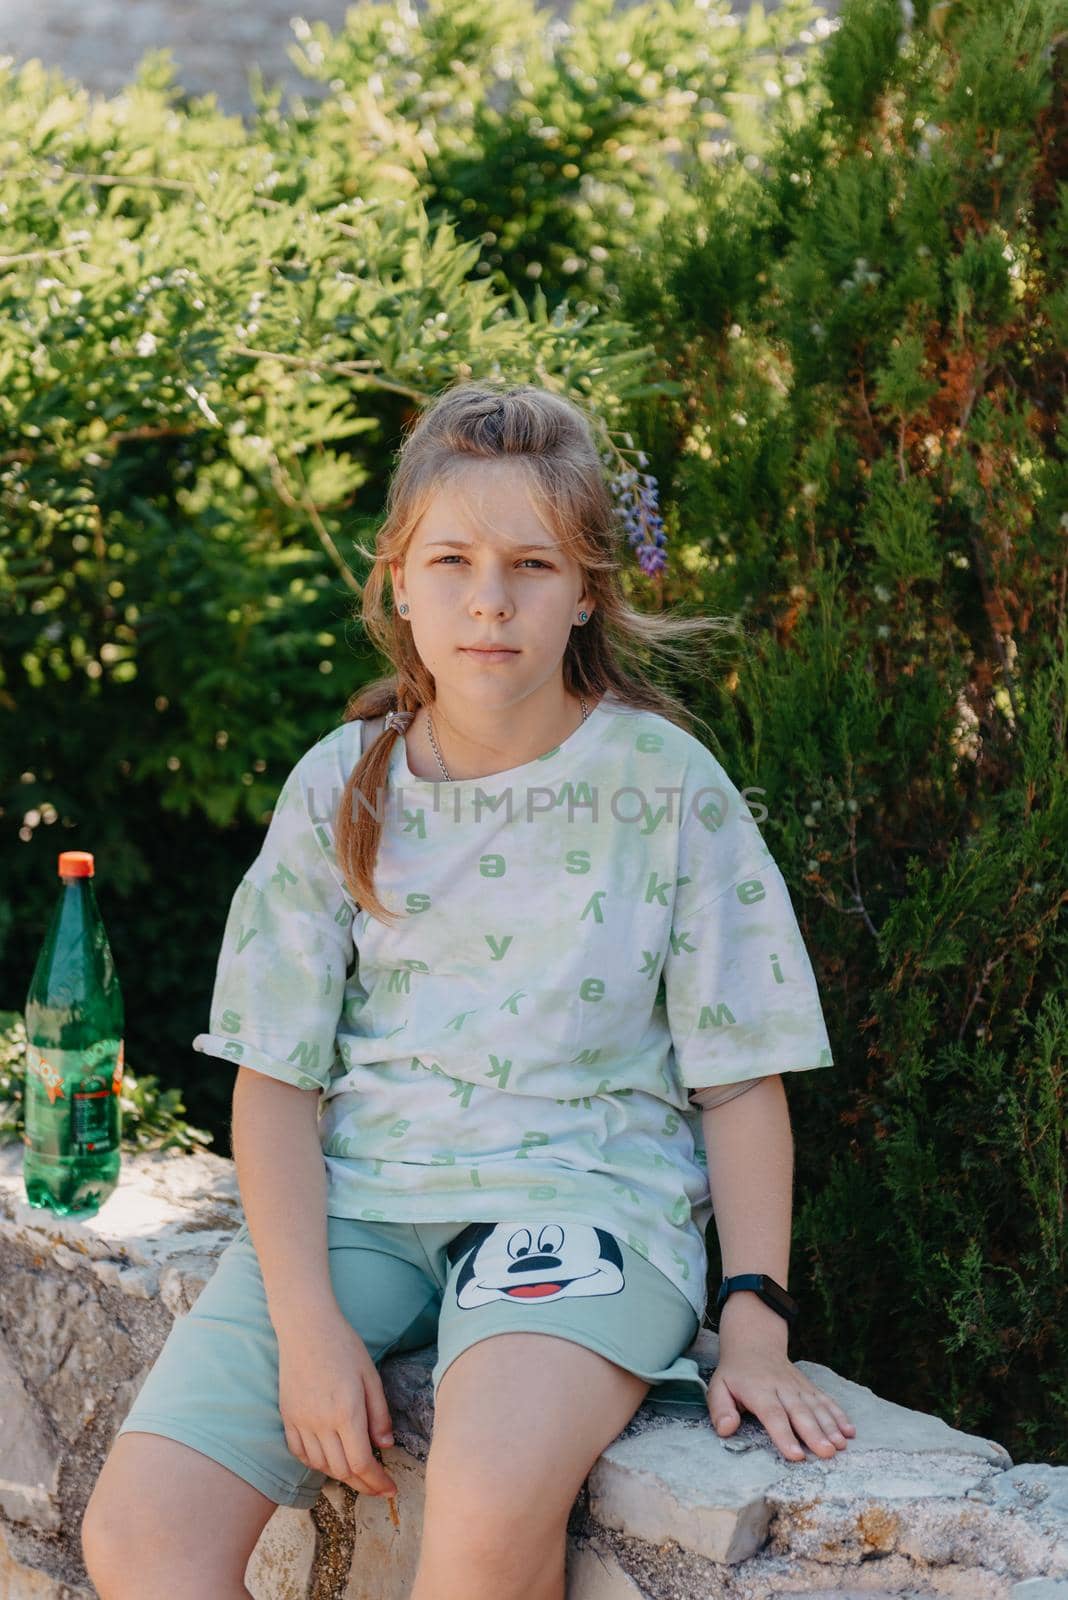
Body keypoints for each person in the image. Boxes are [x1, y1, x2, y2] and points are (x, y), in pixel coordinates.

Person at [82, 381, 855, 1600]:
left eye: (533, 563)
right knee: (141, 1538)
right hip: (359, 1207)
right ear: (398, 576)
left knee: (486, 1522)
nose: (489, 597)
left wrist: (754, 1314)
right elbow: (276, 1086)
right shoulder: (342, 786)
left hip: (582, 1204)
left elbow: (741, 1079)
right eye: (451, 559)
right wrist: (309, 1328)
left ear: (589, 586)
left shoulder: (664, 784)